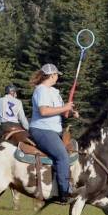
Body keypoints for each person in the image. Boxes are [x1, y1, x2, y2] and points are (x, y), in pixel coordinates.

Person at [28, 64, 78, 202]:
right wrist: (64, 108)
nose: (57, 77)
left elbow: (63, 112)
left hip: (55, 130)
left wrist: (71, 111)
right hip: (42, 130)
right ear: (51, 75)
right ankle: (65, 192)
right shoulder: (41, 90)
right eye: (56, 75)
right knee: (62, 155)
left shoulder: (54, 92)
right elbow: (44, 111)